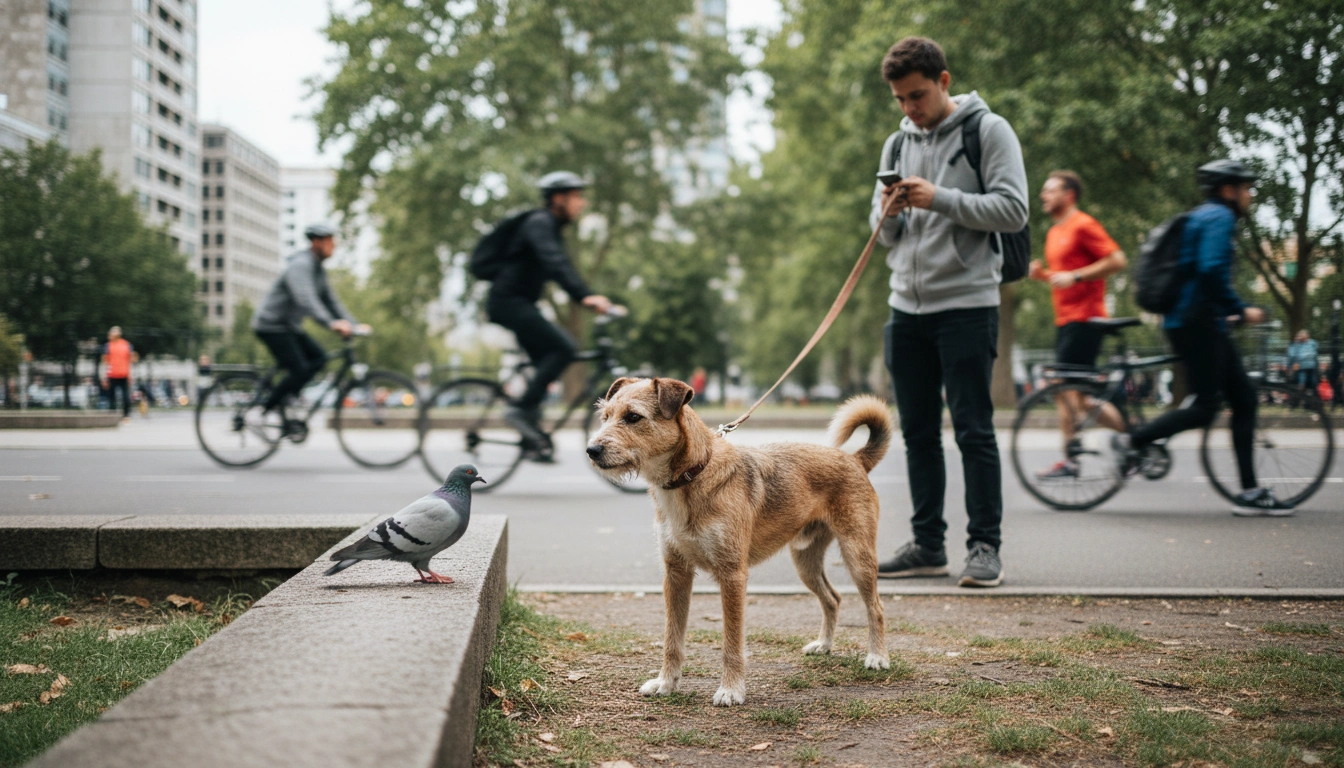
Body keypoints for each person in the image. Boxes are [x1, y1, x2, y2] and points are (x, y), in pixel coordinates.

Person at [868, 37, 1029, 588]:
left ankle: (984, 546)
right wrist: (889, 211)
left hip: (966, 304)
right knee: (916, 433)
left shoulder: (987, 130)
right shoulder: (896, 145)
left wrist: (939, 198)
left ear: (943, 80)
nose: (910, 108)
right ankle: (928, 545)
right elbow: (883, 235)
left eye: (917, 96)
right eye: (900, 100)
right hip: (905, 309)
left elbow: (1012, 209)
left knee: (973, 430)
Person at [1115, 159, 1290, 515]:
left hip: (1192, 320)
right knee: (1210, 406)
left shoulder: (1202, 216)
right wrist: (1241, 309)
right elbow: (1210, 271)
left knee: (1241, 399)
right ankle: (1134, 439)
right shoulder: (1219, 218)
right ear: (1229, 190)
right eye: (1246, 188)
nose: (1250, 195)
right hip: (1198, 322)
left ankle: (1250, 491)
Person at [485, 171, 613, 459]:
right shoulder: (539, 223)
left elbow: (557, 264)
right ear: (558, 199)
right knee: (564, 348)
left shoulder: (548, 226)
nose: (582, 203)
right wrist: (585, 296)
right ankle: (519, 411)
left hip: (517, 303)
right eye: (577, 197)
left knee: (547, 362)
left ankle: (533, 438)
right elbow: (555, 264)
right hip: (508, 302)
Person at [1027, 171, 1129, 479]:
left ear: (1069, 194)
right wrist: (1043, 275)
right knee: (1077, 398)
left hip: (1086, 319)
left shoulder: (1082, 224)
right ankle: (1134, 440)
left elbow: (1117, 260)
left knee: (1065, 390)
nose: (1043, 195)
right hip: (1067, 320)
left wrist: (1078, 276)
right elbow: (1063, 278)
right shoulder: (1055, 231)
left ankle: (1072, 459)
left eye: (1050, 190)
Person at [252, 223, 369, 434]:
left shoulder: (318, 271)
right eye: (330, 242)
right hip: (272, 325)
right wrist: (332, 323)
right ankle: (265, 410)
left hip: (290, 328)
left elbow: (332, 302)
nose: (334, 246)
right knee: (300, 369)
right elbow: (306, 299)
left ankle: (286, 398)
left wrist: (353, 324)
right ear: (316, 242)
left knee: (320, 358)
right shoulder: (300, 265)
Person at [100, 326, 136, 422]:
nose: (109, 336)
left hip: (119, 374)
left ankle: (121, 414)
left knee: (119, 396)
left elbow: (105, 362)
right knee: (118, 395)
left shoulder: (112, 346)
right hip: (116, 374)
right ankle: (122, 415)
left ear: (116, 335)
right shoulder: (126, 345)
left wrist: (104, 376)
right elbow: (105, 362)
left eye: (110, 334)